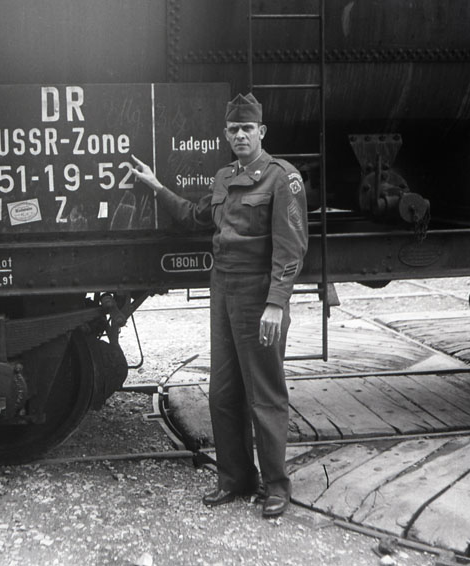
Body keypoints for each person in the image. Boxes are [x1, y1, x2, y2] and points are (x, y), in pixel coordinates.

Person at [131, 93, 308, 517]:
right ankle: (235, 478)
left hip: (258, 295)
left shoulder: (282, 178)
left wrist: (276, 303)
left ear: (261, 131)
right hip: (223, 291)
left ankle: (276, 486)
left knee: (264, 393)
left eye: (247, 128)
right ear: (226, 135)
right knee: (223, 392)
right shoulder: (224, 177)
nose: (240, 135)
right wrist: (157, 187)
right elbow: (195, 217)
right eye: (233, 129)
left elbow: (292, 248)